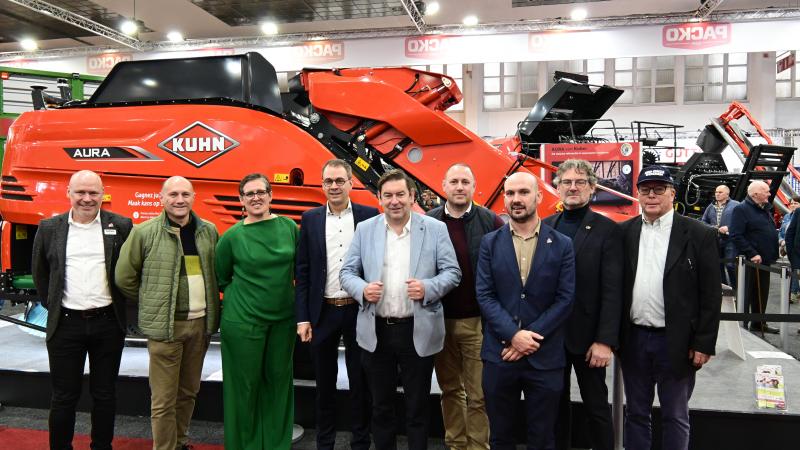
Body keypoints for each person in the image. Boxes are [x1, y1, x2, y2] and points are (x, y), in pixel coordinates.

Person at [340, 169, 461, 450]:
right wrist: (361, 290)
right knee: (381, 406)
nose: (394, 201)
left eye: (400, 195)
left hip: (416, 330)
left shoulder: (434, 229)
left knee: (417, 407)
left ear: (412, 197)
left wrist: (428, 287)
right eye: (388, 196)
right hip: (377, 330)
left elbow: (452, 272)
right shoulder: (365, 229)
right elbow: (347, 272)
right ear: (380, 199)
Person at [618, 165, 721, 450]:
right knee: (636, 413)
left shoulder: (699, 234)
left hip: (676, 342)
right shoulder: (624, 232)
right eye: (645, 189)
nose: (651, 195)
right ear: (637, 194)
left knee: (675, 415)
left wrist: (704, 343)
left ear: (672, 194)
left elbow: (711, 295)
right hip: (634, 340)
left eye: (659, 189)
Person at [115, 176, 220, 450]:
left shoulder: (208, 231)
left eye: (185, 194)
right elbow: (125, 276)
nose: (179, 200)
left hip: (199, 326)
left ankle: (181, 442)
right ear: (162, 199)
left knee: (188, 392)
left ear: (193, 197)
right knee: (163, 399)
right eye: (173, 194)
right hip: (166, 328)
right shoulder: (144, 233)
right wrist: (153, 301)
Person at [31, 170, 133, 450]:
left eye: (93, 193)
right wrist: (52, 305)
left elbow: (130, 272)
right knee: (63, 396)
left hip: (108, 323)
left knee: (105, 394)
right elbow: (40, 274)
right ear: (69, 192)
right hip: (65, 324)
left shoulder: (122, 226)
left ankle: (102, 446)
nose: (87, 199)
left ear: (103, 194)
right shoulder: (49, 228)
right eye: (81, 192)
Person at [476, 171, 576, 450]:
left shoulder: (562, 244)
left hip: (544, 358)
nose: (516, 199)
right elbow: (485, 295)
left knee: (543, 438)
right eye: (510, 194)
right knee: (500, 437)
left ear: (539, 197)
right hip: (499, 355)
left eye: (523, 192)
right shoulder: (490, 243)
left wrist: (526, 338)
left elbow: (565, 299)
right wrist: (512, 335)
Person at [295, 160, 378, 450]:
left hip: (359, 311)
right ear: (322, 184)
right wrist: (302, 318)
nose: (334, 186)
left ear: (351, 182)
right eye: (328, 181)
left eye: (339, 180)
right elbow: (303, 271)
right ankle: (325, 442)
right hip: (323, 312)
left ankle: (360, 442)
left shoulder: (370, 217)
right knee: (324, 385)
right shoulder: (310, 219)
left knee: (361, 383)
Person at [215, 173, 299, 449]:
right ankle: (244, 444)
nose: (256, 198)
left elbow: (300, 270)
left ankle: (276, 443)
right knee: (245, 388)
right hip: (242, 322)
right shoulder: (232, 237)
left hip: (283, 322)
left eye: (261, 192)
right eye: (249, 194)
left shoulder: (289, 228)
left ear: (271, 195)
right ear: (241, 200)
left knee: (279, 384)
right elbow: (222, 276)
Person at [543, 160, 622, 450]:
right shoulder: (545, 227)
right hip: (550, 337)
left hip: (590, 340)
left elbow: (613, 290)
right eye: (566, 182)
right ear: (557, 187)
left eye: (579, 182)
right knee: (553, 407)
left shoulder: (608, 229)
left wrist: (605, 341)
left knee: (596, 407)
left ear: (591, 188)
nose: (572, 187)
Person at [426, 163, 503, 450]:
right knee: (450, 390)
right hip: (439, 321)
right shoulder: (429, 221)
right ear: (444, 186)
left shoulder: (491, 221)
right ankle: (456, 444)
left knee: (479, 393)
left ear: (474, 186)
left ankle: (478, 446)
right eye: (454, 182)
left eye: (465, 182)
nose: (460, 187)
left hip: (477, 323)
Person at [730, 180, 780, 334]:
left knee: (762, 293)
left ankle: (759, 323)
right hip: (749, 261)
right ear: (755, 194)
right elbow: (736, 235)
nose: (769, 194)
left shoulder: (764, 209)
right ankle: (741, 326)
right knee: (746, 292)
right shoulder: (741, 209)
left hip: (764, 260)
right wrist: (752, 253)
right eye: (766, 191)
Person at [700, 185, 740, 288]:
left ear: (727, 194)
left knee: (730, 265)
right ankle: (724, 288)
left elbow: (741, 222)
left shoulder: (736, 205)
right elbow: (703, 221)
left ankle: (736, 289)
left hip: (730, 240)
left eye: (720, 192)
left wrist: (729, 228)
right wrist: (713, 228)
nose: (717, 194)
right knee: (718, 265)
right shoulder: (711, 206)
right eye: (716, 192)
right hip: (716, 239)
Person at [779, 196, 800, 302]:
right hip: (793, 250)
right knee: (795, 271)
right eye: (791, 203)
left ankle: (794, 292)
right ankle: (794, 292)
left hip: (794, 250)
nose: (792, 205)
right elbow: (787, 233)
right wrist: (783, 243)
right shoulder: (790, 215)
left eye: (795, 203)